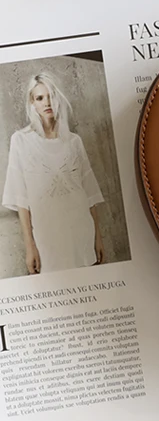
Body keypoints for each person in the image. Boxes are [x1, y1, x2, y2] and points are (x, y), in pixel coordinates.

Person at [2, 72, 105, 275]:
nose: (47, 102)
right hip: (47, 237)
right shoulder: (21, 140)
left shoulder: (74, 141)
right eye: (40, 98)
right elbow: (21, 199)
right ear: (32, 102)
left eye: (51, 96)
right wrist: (30, 246)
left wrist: (98, 237)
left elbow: (89, 193)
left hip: (81, 231)